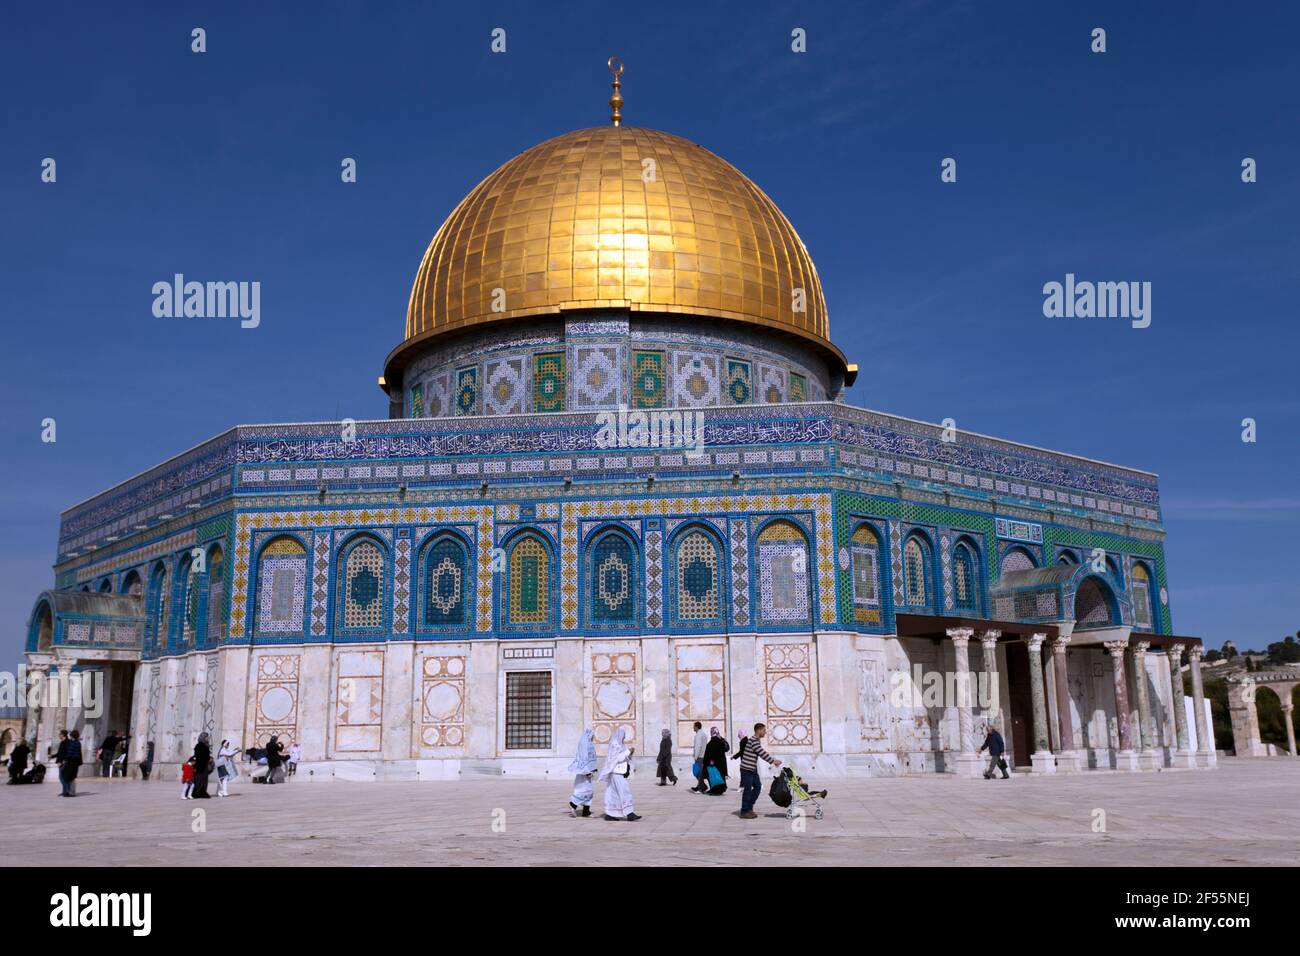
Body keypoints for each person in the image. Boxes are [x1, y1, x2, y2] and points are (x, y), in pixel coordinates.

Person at [736, 722, 781, 819]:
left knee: (757, 787)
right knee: (747, 790)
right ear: (759, 730)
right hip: (746, 769)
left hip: (752, 769)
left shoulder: (756, 740)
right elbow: (761, 753)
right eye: (764, 730)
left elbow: (760, 752)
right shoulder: (754, 741)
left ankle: (749, 807)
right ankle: (744, 811)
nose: (765, 732)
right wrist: (773, 761)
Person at [598, 728, 640, 821]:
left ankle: (610, 814)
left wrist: (630, 753)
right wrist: (628, 751)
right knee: (624, 791)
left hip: (618, 772)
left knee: (613, 794)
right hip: (616, 772)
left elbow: (625, 758)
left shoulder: (620, 744)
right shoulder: (615, 744)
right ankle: (629, 813)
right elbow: (617, 758)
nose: (624, 737)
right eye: (623, 735)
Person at [567, 727, 598, 817]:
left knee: (589, 792)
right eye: (592, 736)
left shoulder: (589, 744)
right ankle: (572, 804)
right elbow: (584, 759)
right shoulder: (585, 745)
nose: (593, 737)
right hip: (584, 772)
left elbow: (591, 758)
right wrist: (587, 771)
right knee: (583, 791)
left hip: (588, 771)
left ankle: (586, 811)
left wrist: (593, 768)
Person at [701, 727, 730, 795]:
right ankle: (721, 790)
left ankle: (715, 790)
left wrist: (704, 764)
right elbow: (727, 748)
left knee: (713, 776)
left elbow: (707, 756)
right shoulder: (721, 741)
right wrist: (722, 738)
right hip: (721, 764)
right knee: (721, 777)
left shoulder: (710, 743)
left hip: (713, 764)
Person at [59, 730, 83, 797]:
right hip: (76, 762)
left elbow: (70, 753)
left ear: (72, 736)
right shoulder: (78, 743)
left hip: (71, 761)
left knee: (66, 775)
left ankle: (70, 792)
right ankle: (70, 791)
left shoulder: (73, 743)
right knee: (72, 777)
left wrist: (65, 760)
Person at [191, 733, 213, 798]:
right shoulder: (199, 745)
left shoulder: (206, 745)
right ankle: (195, 793)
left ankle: (202, 792)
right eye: (206, 737)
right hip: (200, 766)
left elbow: (206, 755)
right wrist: (208, 759)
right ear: (203, 738)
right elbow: (199, 756)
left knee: (204, 780)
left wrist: (209, 758)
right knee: (199, 780)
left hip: (204, 765)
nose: (208, 738)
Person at [691, 721, 709, 793]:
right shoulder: (703, 734)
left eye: (694, 726)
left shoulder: (698, 735)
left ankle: (701, 788)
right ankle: (701, 786)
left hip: (699, 757)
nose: (693, 727)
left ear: (696, 727)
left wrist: (696, 756)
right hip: (703, 756)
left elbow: (698, 746)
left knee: (697, 773)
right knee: (699, 773)